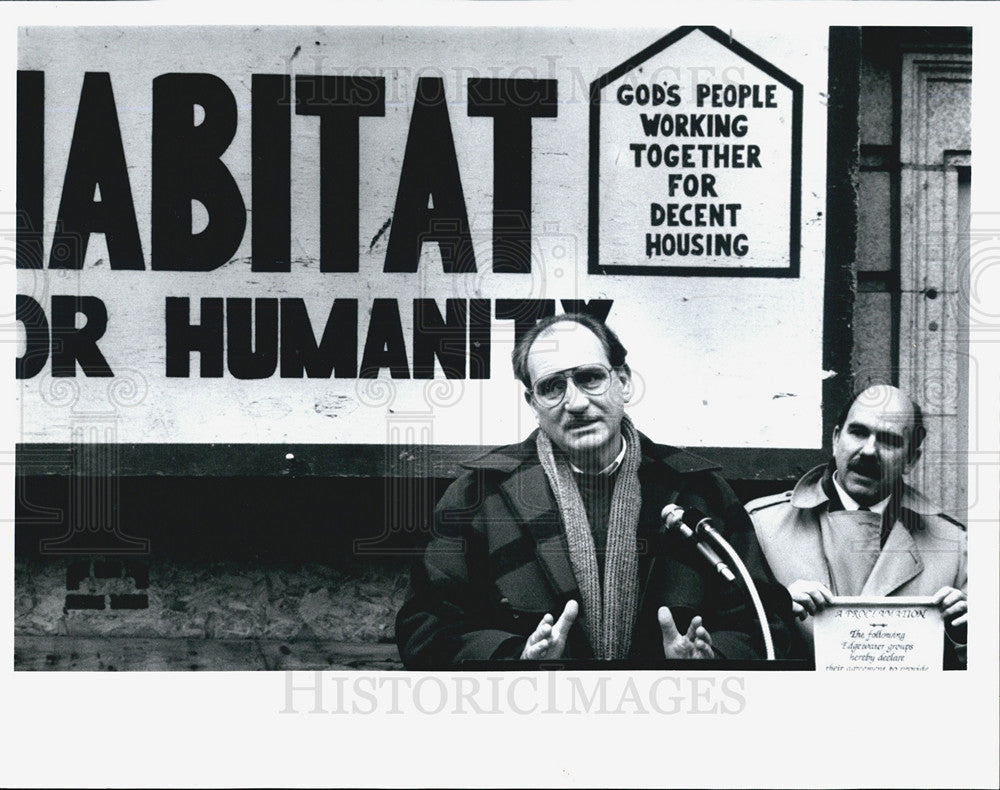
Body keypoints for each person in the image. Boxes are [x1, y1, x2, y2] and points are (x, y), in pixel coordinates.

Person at [396, 313, 790, 668]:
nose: (576, 402)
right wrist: (516, 658)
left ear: (623, 381)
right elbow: (426, 627)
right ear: (532, 402)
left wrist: (711, 659)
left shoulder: (696, 491)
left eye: (589, 378)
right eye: (552, 387)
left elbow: (765, 620)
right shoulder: (478, 497)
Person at [746, 385, 968, 667]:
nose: (869, 451)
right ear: (837, 438)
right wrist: (775, 609)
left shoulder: (955, 545)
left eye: (888, 440)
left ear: (911, 459)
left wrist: (967, 635)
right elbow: (739, 640)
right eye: (858, 432)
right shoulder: (761, 525)